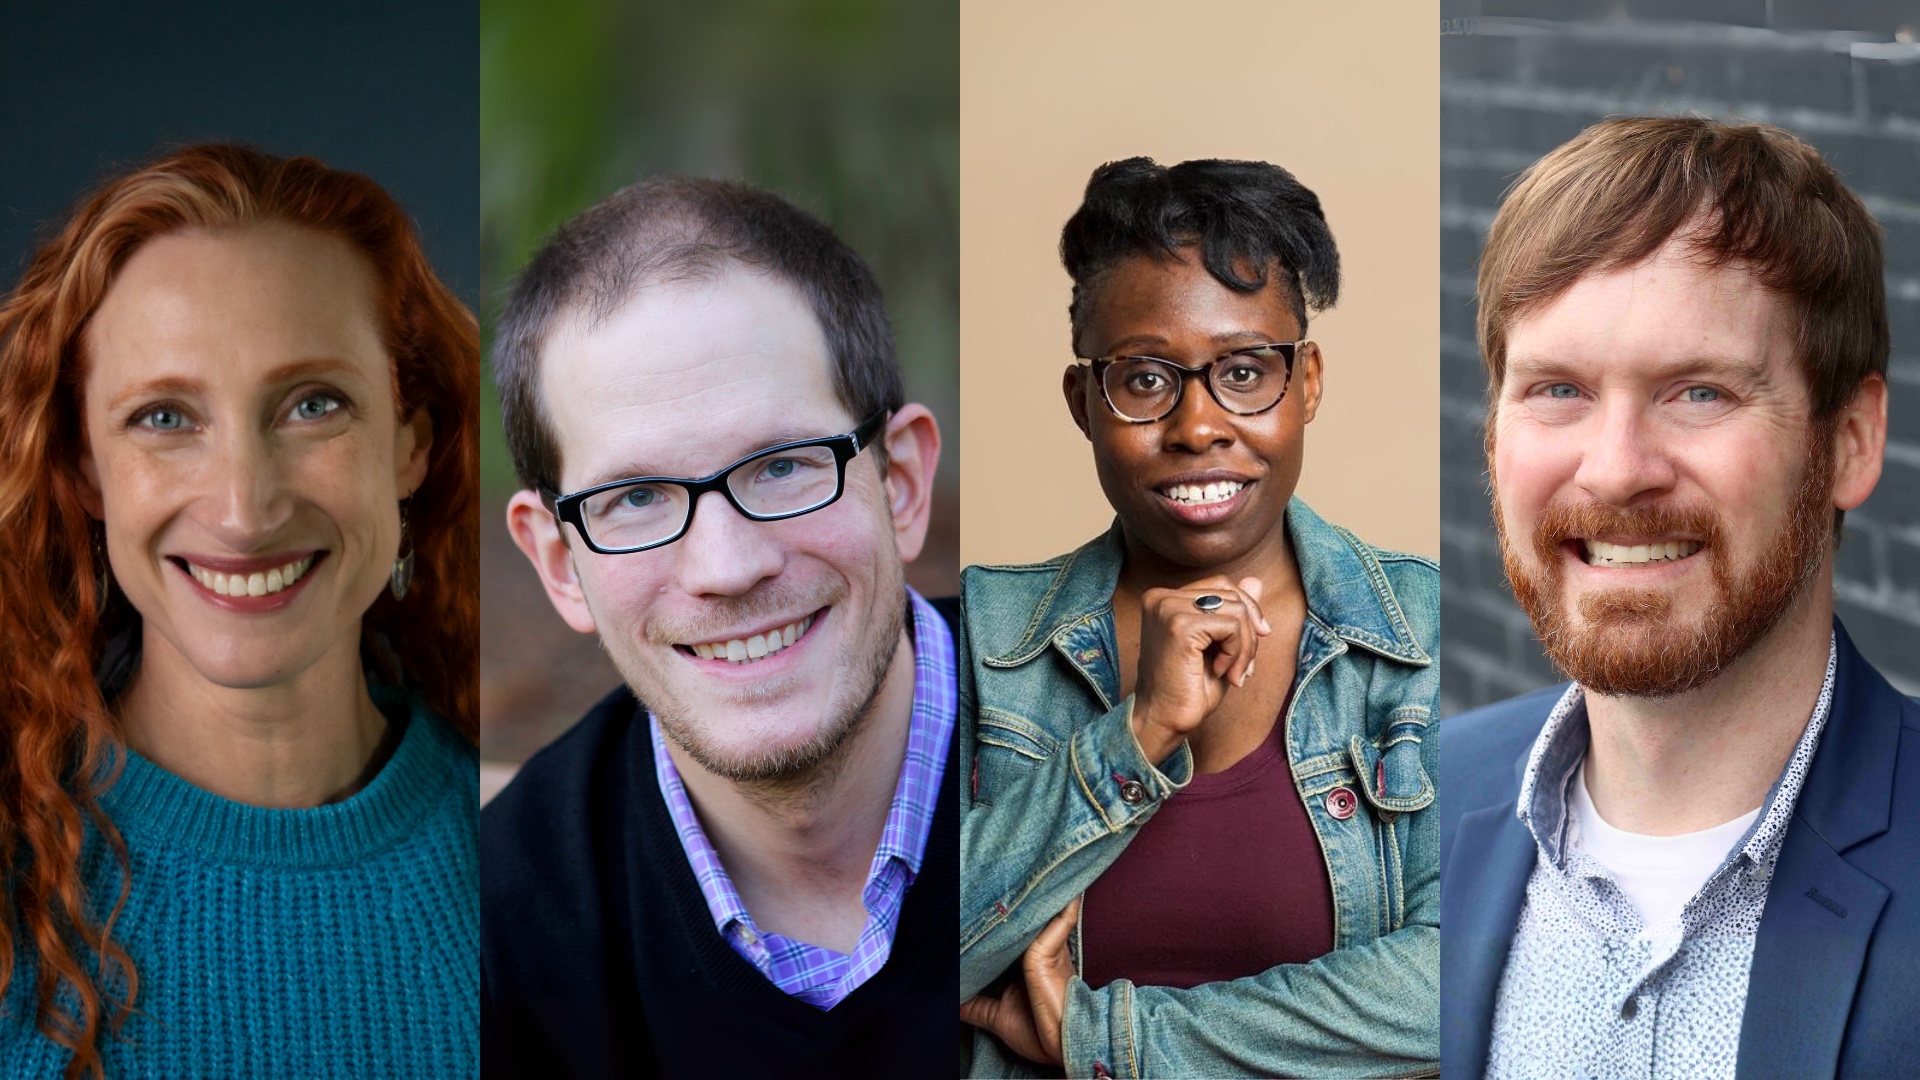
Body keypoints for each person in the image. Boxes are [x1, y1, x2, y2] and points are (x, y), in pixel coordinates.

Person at [1441, 117, 1917, 1079]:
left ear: (1851, 441)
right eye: (1557, 390)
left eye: (1699, 392)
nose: (1616, 471)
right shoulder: (1410, 812)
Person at [0, 145, 480, 1077]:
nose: (244, 511)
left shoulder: (543, 865)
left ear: (409, 446)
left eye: (314, 405)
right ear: (85, 470)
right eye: (164, 417)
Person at [957, 158, 1440, 1079]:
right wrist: (1137, 733)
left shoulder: (1421, 632)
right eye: (1145, 380)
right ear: (1084, 404)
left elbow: (1447, 983)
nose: (1197, 426)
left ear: (1307, 383)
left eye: (1245, 372)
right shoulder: (983, 635)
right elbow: (905, 951)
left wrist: (1114, 1042)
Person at [480, 176, 953, 1078]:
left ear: (900, 483)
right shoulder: (498, 945)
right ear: (558, 563)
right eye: (636, 498)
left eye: (781, 465)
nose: (727, 567)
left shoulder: (1136, 764)